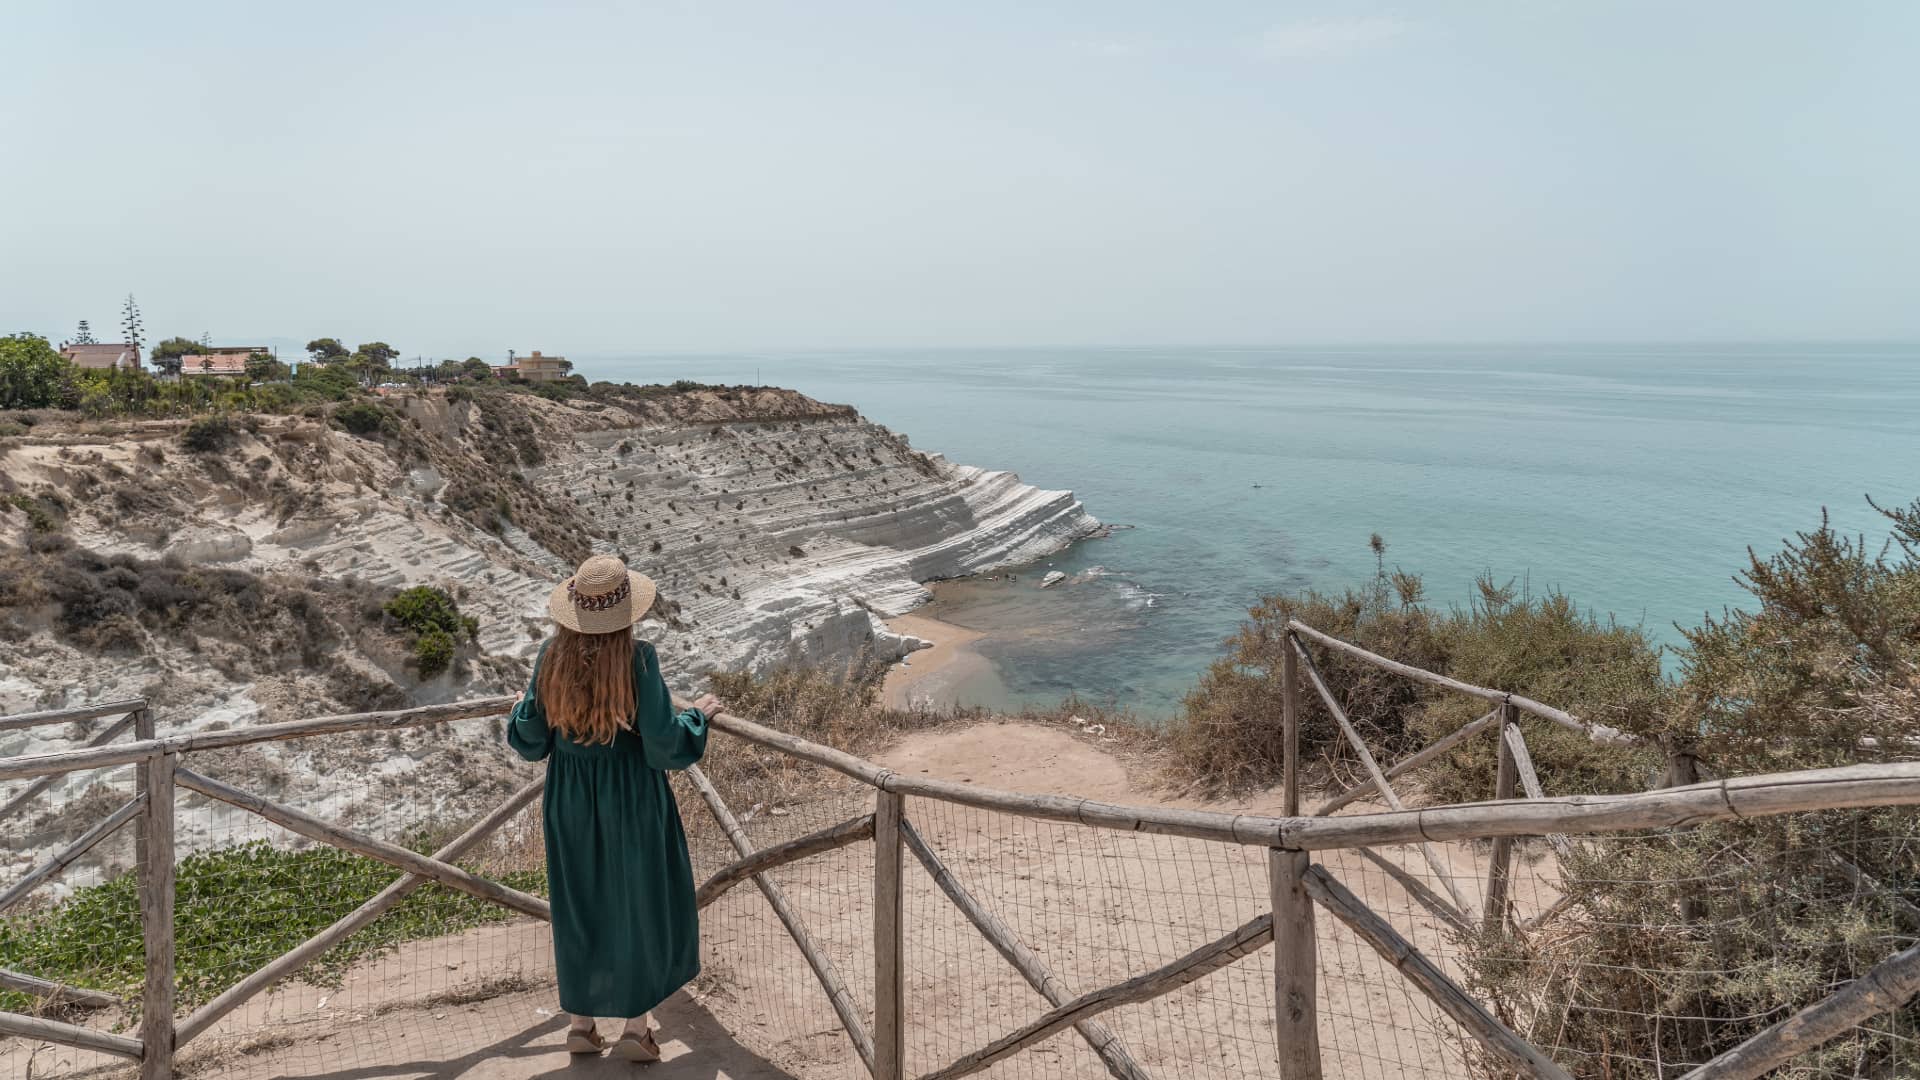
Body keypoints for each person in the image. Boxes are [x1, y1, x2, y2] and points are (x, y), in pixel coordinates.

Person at [507, 554, 722, 1062]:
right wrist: (700, 719)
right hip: (630, 796)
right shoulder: (638, 658)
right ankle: (635, 1029)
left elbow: (532, 739)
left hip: (570, 797)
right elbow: (664, 742)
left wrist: (520, 708)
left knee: (579, 905)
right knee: (638, 904)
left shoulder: (549, 657)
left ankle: (581, 1026)